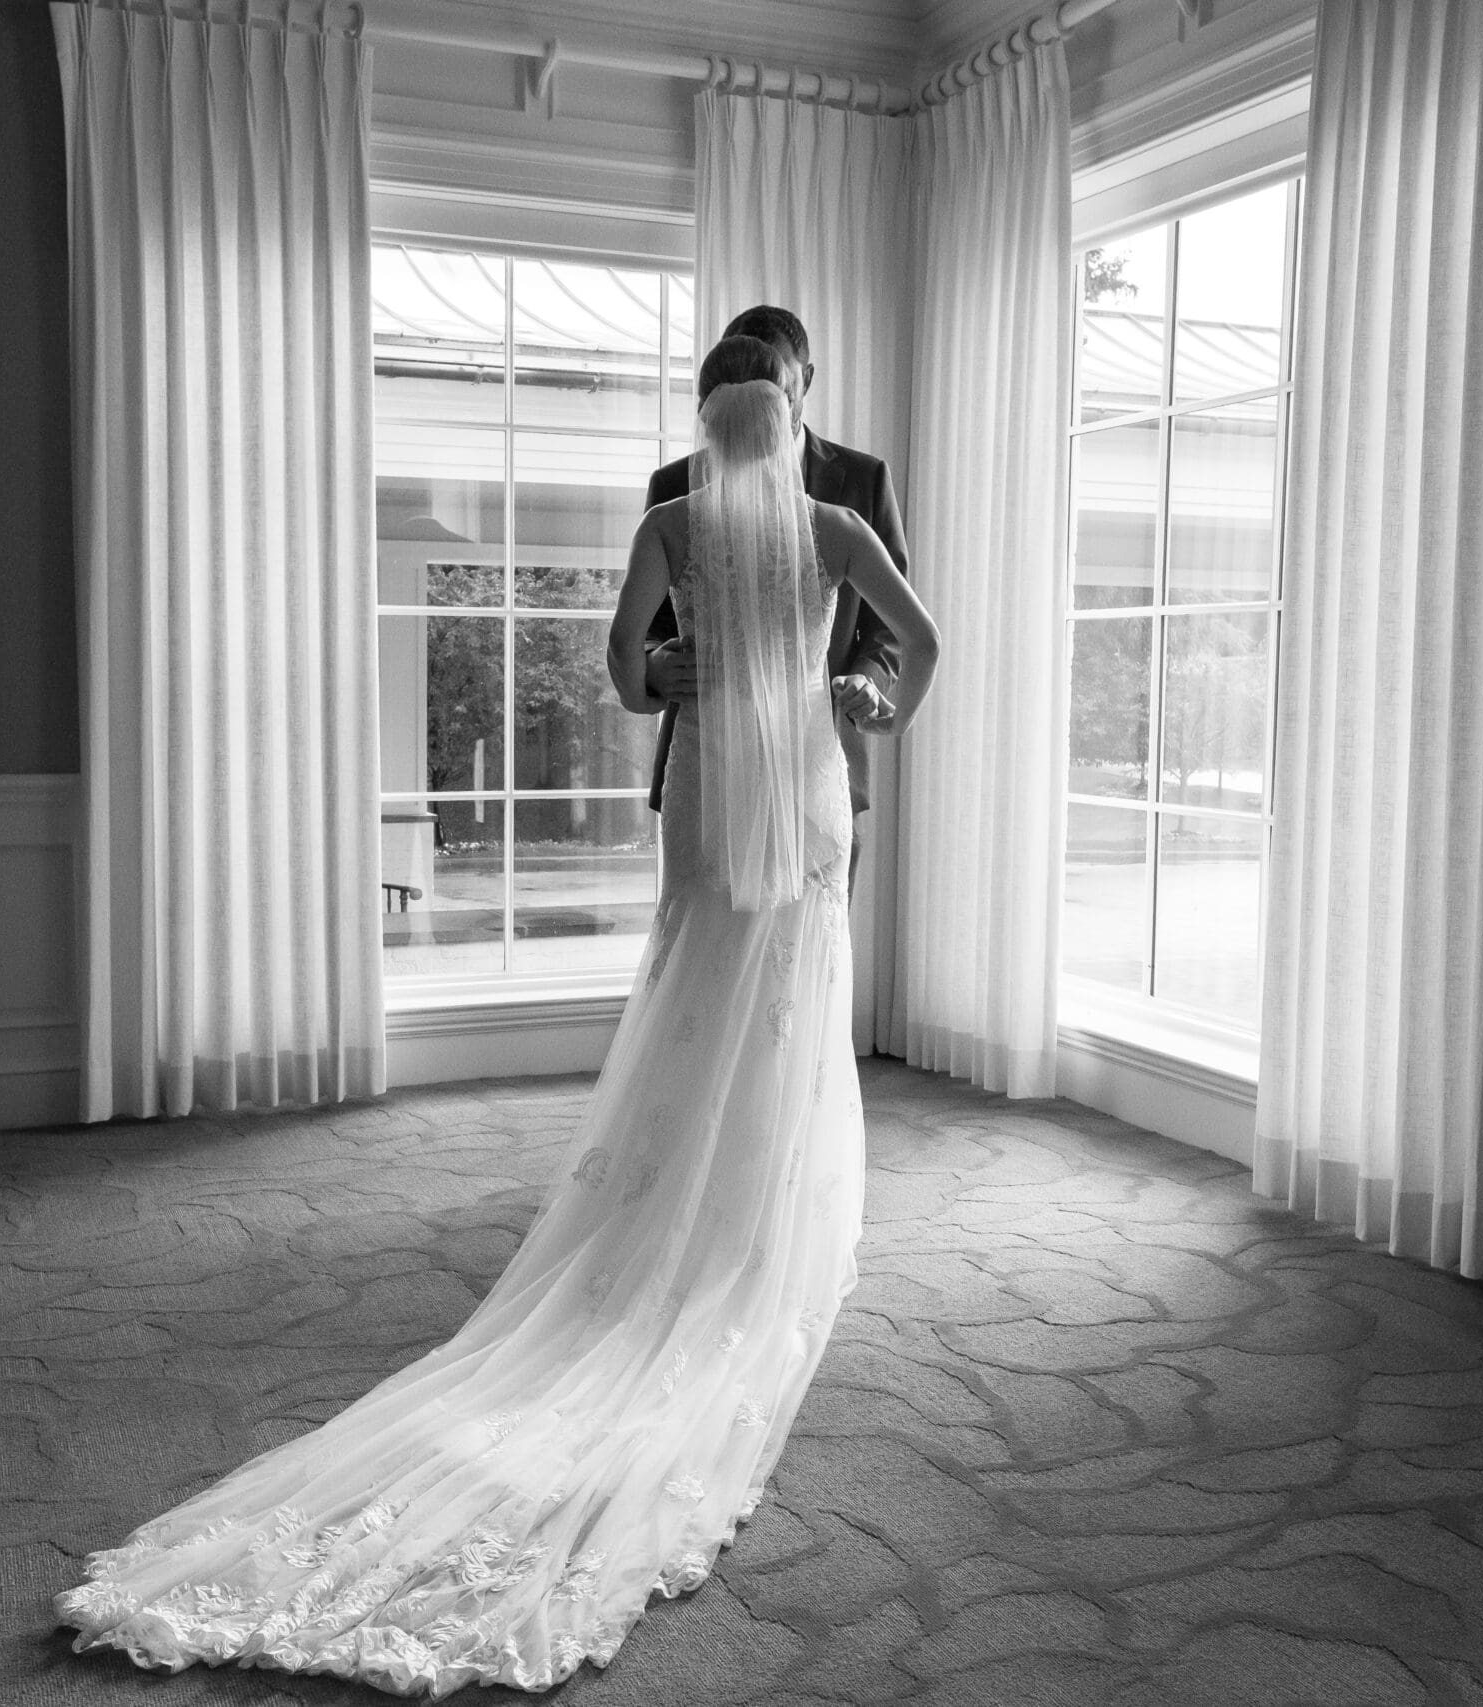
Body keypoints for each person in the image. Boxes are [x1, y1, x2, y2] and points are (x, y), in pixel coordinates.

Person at [54, 337, 940, 1698]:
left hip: (721, 784)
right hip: (802, 776)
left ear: (714, 427)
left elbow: (627, 674)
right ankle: (764, 1209)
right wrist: (860, 697)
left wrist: (680, 678)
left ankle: (687, 1202)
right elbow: (917, 641)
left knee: (704, 981)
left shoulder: (672, 521)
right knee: (784, 994)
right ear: (793, 417)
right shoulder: (828, 523)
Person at [640, 307, 912, 864]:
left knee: (813, 940)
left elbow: (891, 625)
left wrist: (865, 682)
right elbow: (649, 629)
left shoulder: (861, 481)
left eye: (776, 384)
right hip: (707, 761)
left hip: (817, 755)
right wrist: (654, 666)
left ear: (804, 380)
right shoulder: (673, 489)